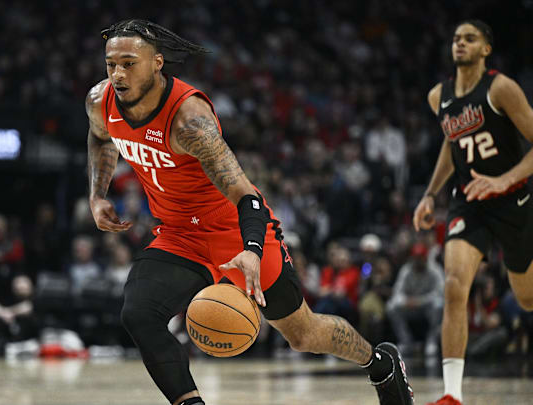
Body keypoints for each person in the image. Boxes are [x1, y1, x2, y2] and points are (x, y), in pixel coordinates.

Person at [86, 19, 413, 405]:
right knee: (139, 314)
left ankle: (380, 362)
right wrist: (98, 194)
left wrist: (253, 250)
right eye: (111, 65)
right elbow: (100, 137)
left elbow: (247, 196)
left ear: (158, 63)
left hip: (237, 230)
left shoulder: (189, 121)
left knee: (303, 335)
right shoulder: (100, 101)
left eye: (129, 63)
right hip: (179, 234)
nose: (118, 74)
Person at [414, 20, 533, 405]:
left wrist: (504, 180)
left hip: (513, 197)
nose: (460, 43)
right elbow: (452, 145)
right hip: (469, 200)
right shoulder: (439, 97)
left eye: (470, 38)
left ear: (486, 49)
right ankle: (452, 394)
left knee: (528, 298)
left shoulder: (501, 88)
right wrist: (430, 194)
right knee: (453, 286)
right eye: (456, 39)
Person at [386, 243, 444, 357]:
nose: (418, 261)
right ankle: (406, 342)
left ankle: (431, 342)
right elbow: (397, 292)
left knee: (438, 305)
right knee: (391, 307)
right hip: (410, 306)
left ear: (425, 258)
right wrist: (406, 300)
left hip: (427, 306)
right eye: (416, 258)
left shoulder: (435, 270)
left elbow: (440, 294)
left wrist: (420, 301)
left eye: (420, 258)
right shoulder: (406, 270)